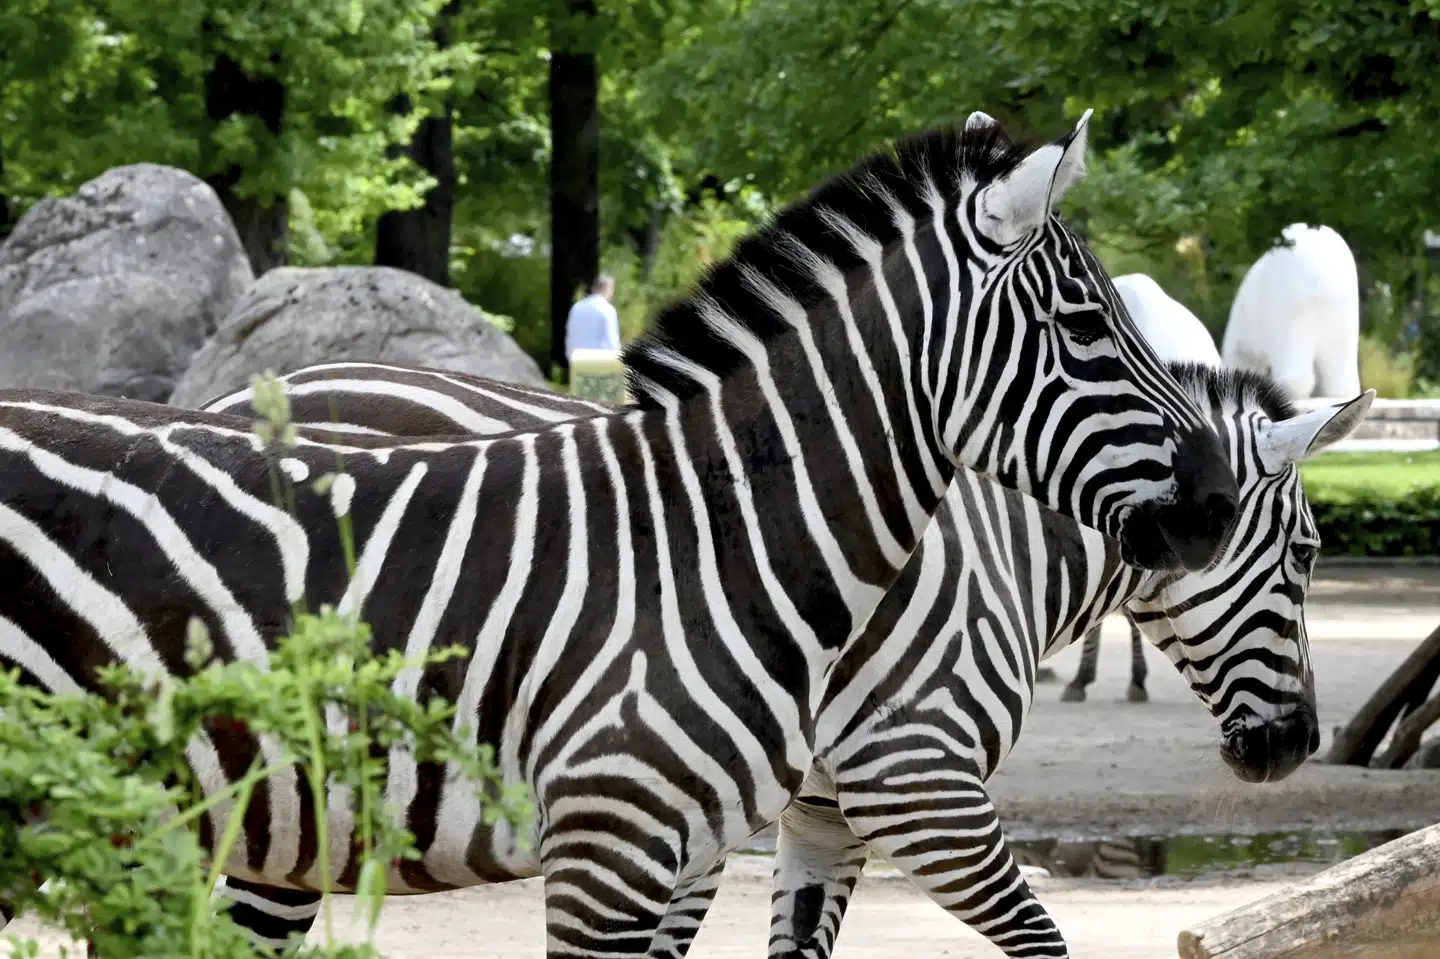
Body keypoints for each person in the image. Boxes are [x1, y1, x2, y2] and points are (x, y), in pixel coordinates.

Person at [564, 274, 621, 362]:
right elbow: (612, 341)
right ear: (607, 289)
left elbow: (570, 335)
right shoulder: (607, 309)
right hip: (600, 363)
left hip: (577, 361)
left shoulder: (577, 307)